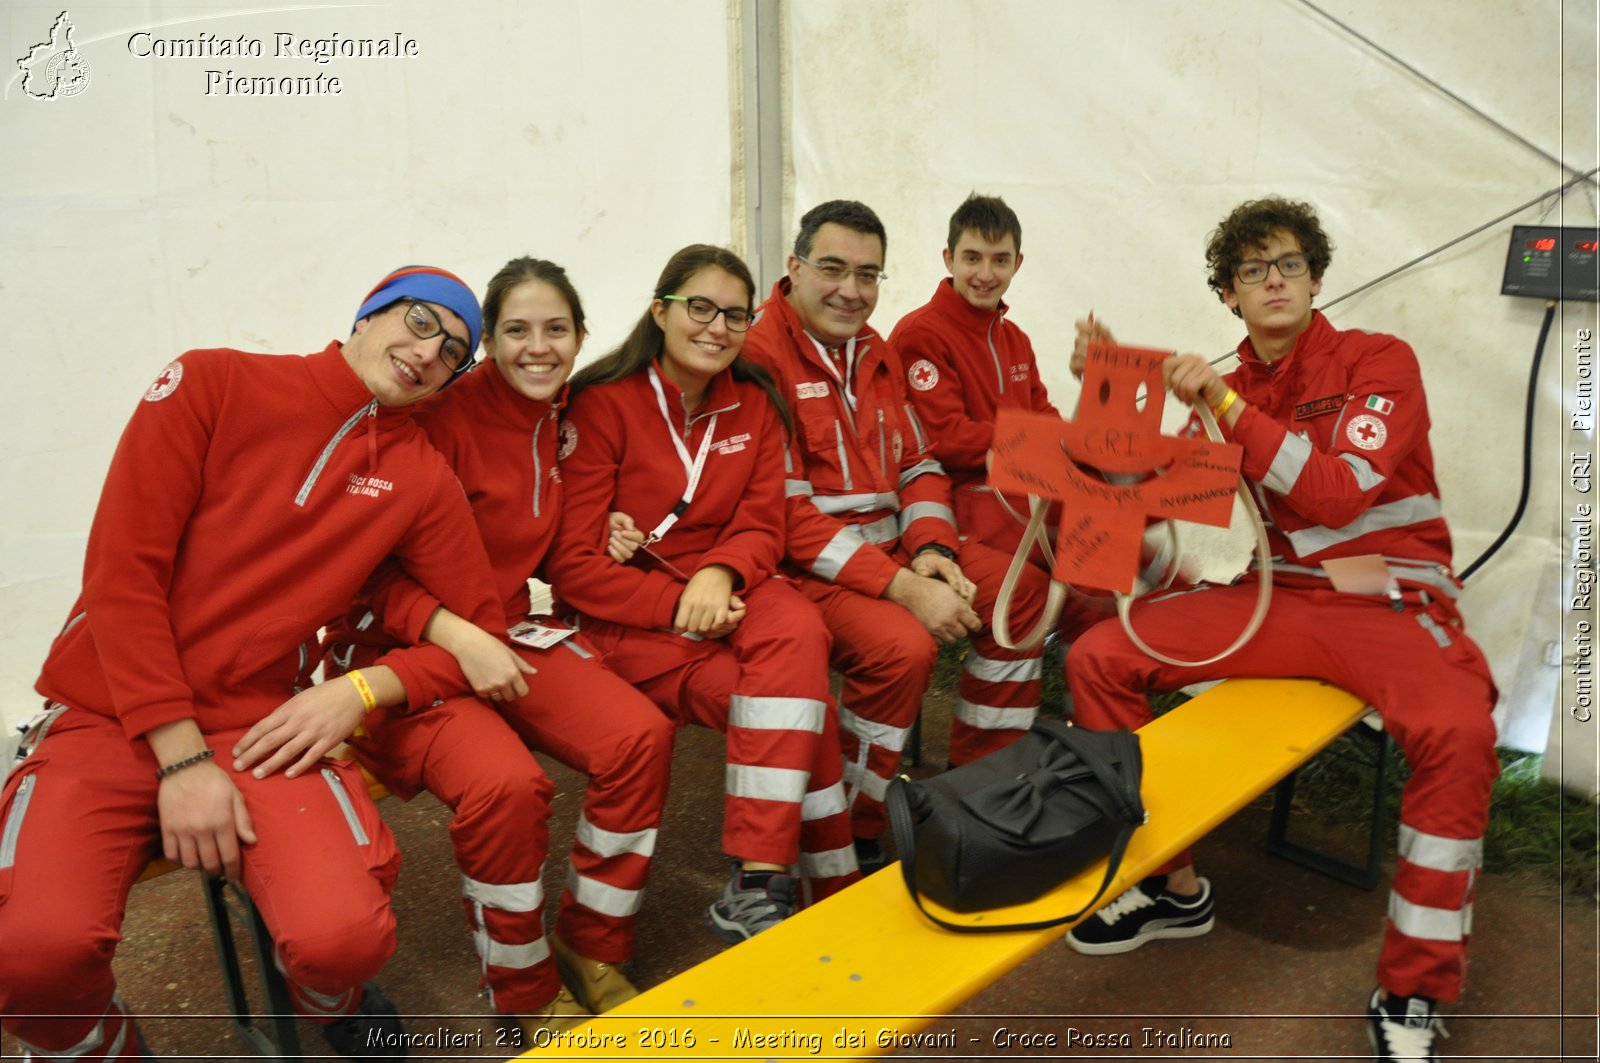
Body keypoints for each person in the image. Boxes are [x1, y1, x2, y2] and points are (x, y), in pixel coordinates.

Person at [0, 266, 504, 1061]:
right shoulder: (213, 380)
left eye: (453, 350)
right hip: (106, 713)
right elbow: (122, 575)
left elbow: (482, 641)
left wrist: (363, 688)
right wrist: (184, 759)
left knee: (344, 938)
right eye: (418, 320)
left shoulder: (419, 476)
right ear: (369, 313)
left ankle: (325, 1003)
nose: (427, 351)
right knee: (30, 958)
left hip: (258, 725)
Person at [1061, 197, 1498, 1063]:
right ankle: (1169, 887)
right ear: (1228, 295)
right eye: (1251, 270)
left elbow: (1336, 492)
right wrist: (1103, 395)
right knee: (1100, 653)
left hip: (1389, 599)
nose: (1272, 279)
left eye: (1288, 264)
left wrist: (1221, 399)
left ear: (1316, 277)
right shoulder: (1230, 388)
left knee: (1459, 732)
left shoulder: (1380, 360)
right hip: (1282, 596)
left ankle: (1413, 985)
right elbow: (1142, 505)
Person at [323, 257, 676, 1033]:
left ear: (582, 337)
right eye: (516, 330)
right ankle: (524, 991)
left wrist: (600, 532)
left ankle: (592, 942)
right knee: (508, 789)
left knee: (639, 737)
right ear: (487, 344)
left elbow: (528, 538)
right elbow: (363, 576)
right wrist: (454, 633)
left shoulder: (562, 412)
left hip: (509, 629)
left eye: (555, 329)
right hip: (398, 650)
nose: (537, 348)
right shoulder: (437, 417)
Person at [546, 244, 858, 945]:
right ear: (660, 310)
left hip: (734, 584)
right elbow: (572, 568)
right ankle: (818, 883)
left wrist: (721, 575)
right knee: (807, 711)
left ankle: (767, 878)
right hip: (631, 615)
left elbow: (762, 520)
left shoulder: (753, 399)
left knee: (800, 634)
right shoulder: (600, 404)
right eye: (700, 307)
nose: (717, 327)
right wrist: (681, 606)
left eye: (735, 315)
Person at [741, 200, 1050, 870]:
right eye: (833, 269)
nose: (852, 290)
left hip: (901, 549)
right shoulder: (758, 357)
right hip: (808, 569)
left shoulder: (875, 347)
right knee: (902, 648)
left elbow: (919, 462)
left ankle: (984, 784)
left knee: (1020, 592)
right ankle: (853, 827)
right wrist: (905, 586)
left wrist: (934, 549)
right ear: (793, 268)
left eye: (868, 274)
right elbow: (788, 519)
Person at [891, 192, 1114, 633]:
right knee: (1093, 539)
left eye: (1000, 260)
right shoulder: (921, 334)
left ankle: (1089, 670)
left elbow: (1043, 414)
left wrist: (1097, 396)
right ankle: (1079, 659)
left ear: (1018, 263)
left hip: (1017, 493)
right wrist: (1051, 442)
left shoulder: (1015, 338)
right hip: (959, 501)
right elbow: (947, 440)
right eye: (972, 258)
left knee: (1108, 531)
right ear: (948, 258)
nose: (986, 274)